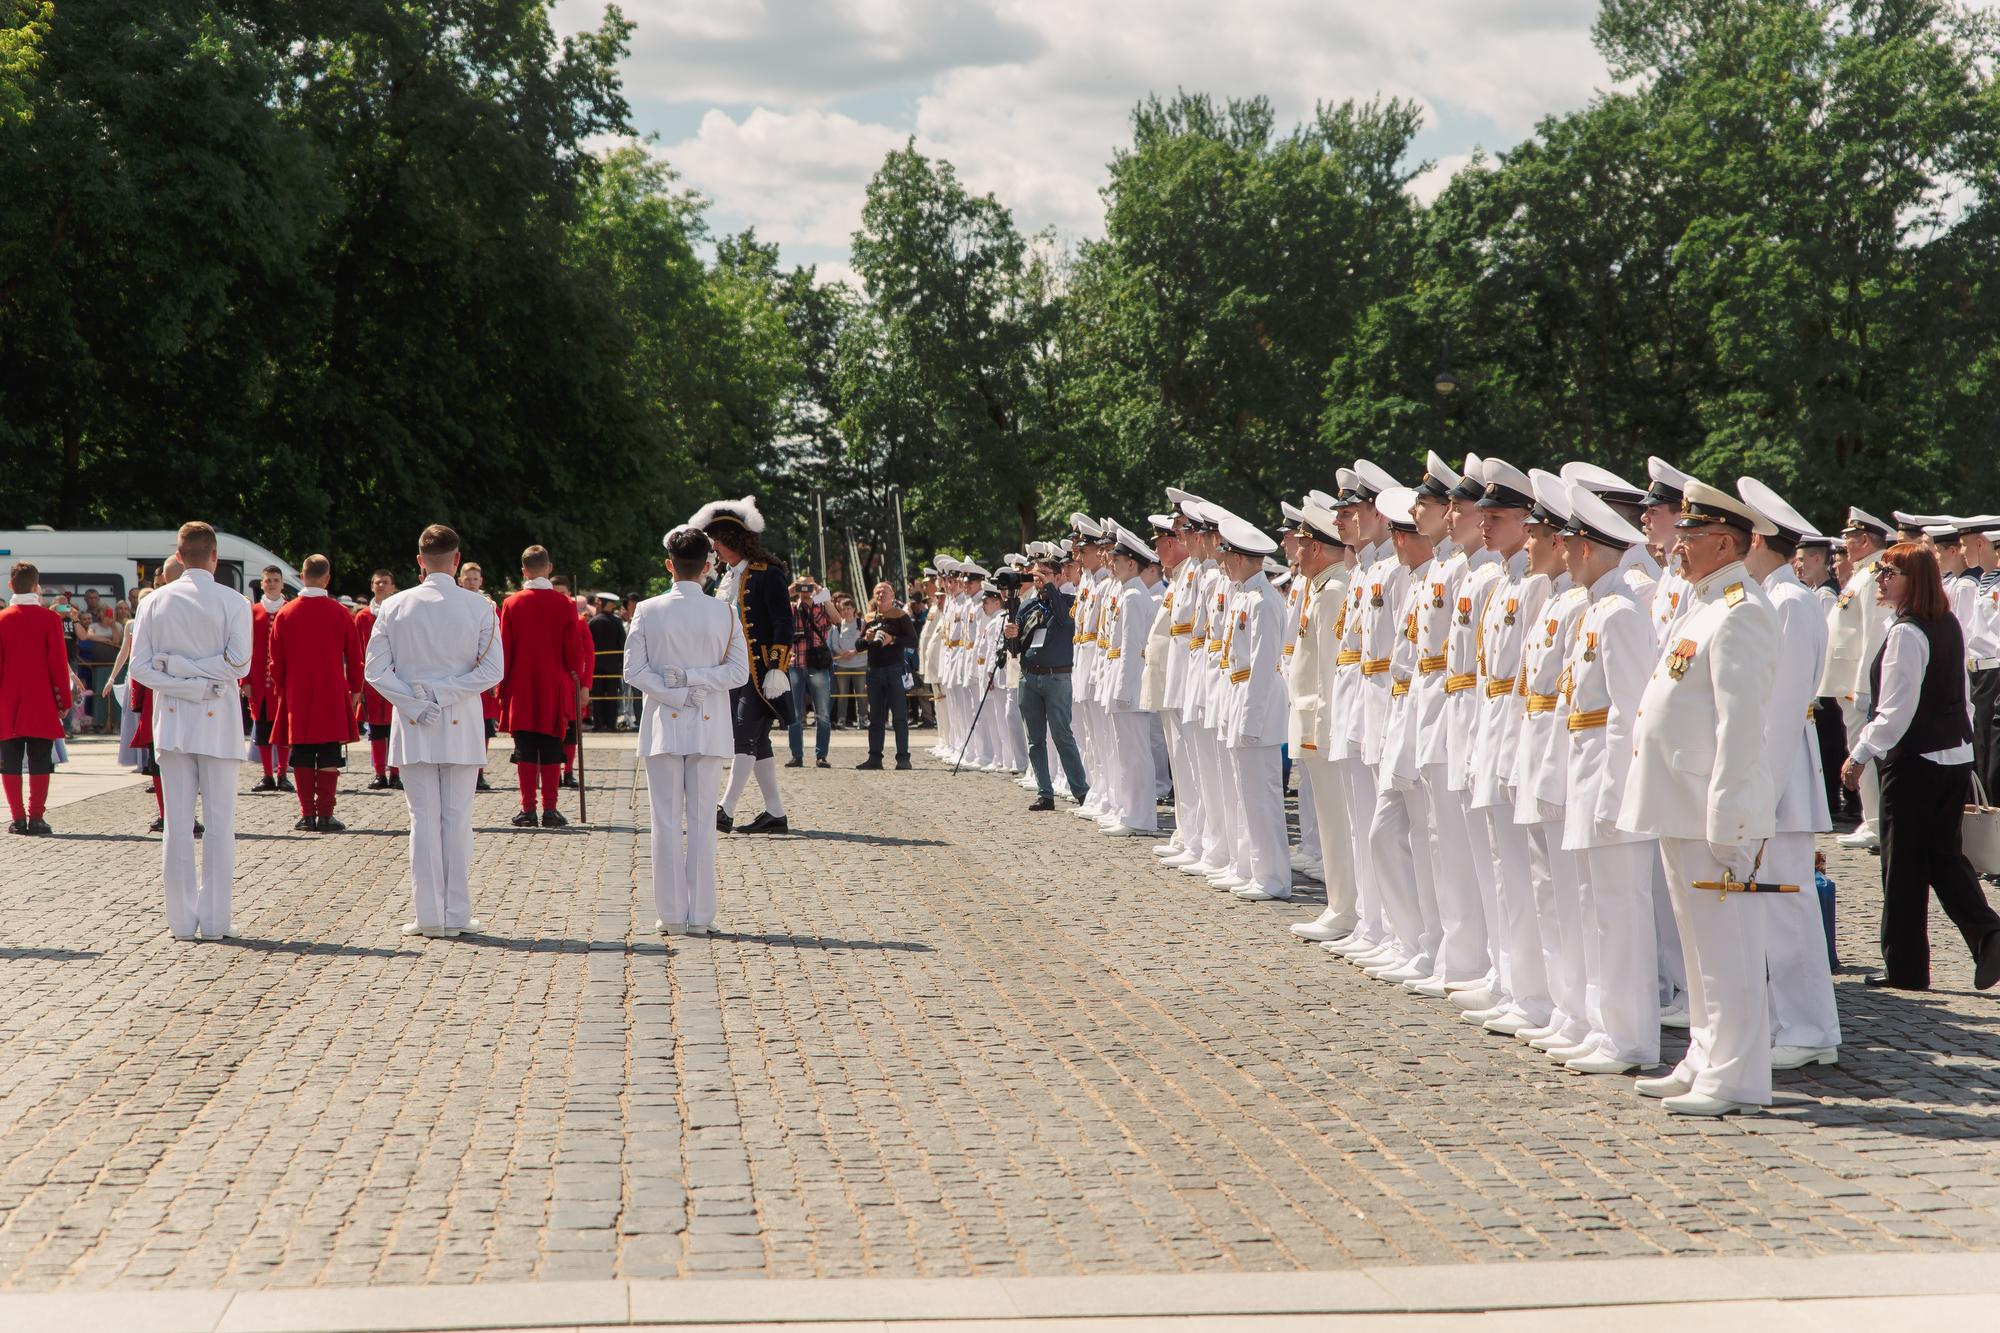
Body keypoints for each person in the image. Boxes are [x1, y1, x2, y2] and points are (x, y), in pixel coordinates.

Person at [1618, 481, 1781, 1117]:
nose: (1675, 547)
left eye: (1687, 538)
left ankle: (1736, 1076)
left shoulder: (1742, 610)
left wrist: (1729, 816)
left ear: (1723, 542)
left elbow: (1741, 728)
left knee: (1728, 949)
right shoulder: (1704, 601)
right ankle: (1705, 1055)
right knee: (1698, 947)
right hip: (1678, 800)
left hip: (1712, 807)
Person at [1841, 541, 2000, 992]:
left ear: (1915, 581)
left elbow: (1894, 711)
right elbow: (1960, 697)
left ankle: (1907, 968)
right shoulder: (1945, 624)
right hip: (1950, 756)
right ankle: (1989, 934)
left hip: (1916, 762)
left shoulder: (1908, 632)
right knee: (1942, 859)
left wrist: (1859, 754)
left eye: (1890, 572)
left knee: (1903, 866)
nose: (1880, 580)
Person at [364, 524, 505, 939]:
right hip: (459, 720)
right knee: (457, 819)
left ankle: (429, 915)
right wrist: (442, 694)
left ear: (419, 561)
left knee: (423, 819)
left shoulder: (394, 605)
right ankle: (456, 914)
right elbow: (492, 670)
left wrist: (416, 701)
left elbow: (374, 671)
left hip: (413, 723)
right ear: (457, 560)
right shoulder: (479, 606)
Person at [129, 522, 253, 942]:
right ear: (214, 556)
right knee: (220, 825)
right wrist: (200, 681)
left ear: (178, 557)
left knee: (177, 825)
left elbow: (142, 670)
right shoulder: (234, 601)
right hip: (217, 719)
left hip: (175, 720)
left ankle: (182, 923)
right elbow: (239, 665)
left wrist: (180, 671)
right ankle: (216, 921)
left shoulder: (155, 602)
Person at [625, 526, 750, 935]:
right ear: (708, 566)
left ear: (669, 565)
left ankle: (673, 915)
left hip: (663, 723)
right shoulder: (724, 611)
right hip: (707, 724)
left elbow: (634, 672)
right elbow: (737, 673)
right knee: (700, 819)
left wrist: (678, 687)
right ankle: (700, 916)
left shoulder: (647, 609)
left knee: (664, 821)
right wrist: (694, 686)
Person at [691, 495, 795, 834]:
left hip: (762, 670)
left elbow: (783, 621)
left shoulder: (768, 573)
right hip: (734, 670)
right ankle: (776, 814)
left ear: (731, 540)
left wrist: (778, 666)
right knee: (758, 741)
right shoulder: (728, 576)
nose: (714, 548)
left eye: (717, 541)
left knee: (743, 736)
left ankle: (724, 810)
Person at [269, 554, 365, 832]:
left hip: (297, 693)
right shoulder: (340, 613)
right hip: (332, 691)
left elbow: (275, 660)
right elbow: (355, 655)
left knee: (301, 752)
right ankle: (325, 814)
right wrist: (355, 687)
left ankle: (307, 815)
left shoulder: (286, 613)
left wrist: (282, 688)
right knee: (328, 753)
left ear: (301, 576)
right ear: (327, 578)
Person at [499, 546, 588, 829]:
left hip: (521, 684)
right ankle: (550, 810)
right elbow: (574, 655)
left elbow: (505, 650)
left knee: (525, 747)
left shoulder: (511, 604)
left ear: (523, 570)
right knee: (552, 747)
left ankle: (528, 810)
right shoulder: (565, 605)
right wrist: (576, 677)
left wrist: (502, 687)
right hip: (554, 684)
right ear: (549, 568)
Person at [1827, 507, 1895, 849]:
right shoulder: (1863, 573)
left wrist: (1865, 686)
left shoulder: (1874, 574)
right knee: (1857, 748)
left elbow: (1873, 633)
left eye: (1849, 539)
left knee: (1863, 750)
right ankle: (1872, 818)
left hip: (1859, 681)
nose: (1845, 544)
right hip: (1848, 678)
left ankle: (1874, 821)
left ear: (1865, 540)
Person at [1009, 556, 1087, 810]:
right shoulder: (1027, 607)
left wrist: (1050, 587)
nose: (1038, 578)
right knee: (1035, 739)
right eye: (1035, 574)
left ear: (1058, 576)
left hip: (1057, 676)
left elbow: (1065, 621)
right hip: (1029, 675)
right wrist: (1010, 636)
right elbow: (1015, 648)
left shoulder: (1066, 601)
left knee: (1062, 735)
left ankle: (1081, 790)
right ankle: (1045, 792)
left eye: (1044, 574)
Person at [0, 563, 72, 835]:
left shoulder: (2, 619)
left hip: (7, 704)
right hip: (41, 702)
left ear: (10, 586)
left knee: (9, 762)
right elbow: (57, 665)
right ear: (36, 586)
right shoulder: (50, 619)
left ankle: (17, 819)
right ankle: (37, 818)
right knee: (41, 760)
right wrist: (64, 702)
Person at [857, 581, 919, 770]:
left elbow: (913, 641)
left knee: (899, 716)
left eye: (884, 591)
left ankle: (903, 758)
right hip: (874, 670)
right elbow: (858, 646)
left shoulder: (900, 616)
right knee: (875, 716)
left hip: (894, 669)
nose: (880, 595)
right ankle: (874, 757)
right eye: (877, 592)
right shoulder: (869, 617)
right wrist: (866, 639)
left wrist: (893, 640)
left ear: (892, 596)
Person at [247, 566, 291, 792]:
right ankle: (267, 775)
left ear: (282, 584)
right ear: (262, 584)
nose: (272, 584)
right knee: (263, 731)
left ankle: (282, 773)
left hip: (283, 684)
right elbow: (244, 649)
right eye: (268, 580)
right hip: (258, 683)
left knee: (283, 730)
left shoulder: (290, 609)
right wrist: (244, 681)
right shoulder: (252, 612)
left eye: (276, 580)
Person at [355, 569, 401, 790]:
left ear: (393, 586)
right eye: (377, 582)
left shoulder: (400, 613)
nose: (381, 586)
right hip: (372, 680)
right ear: (372, 586)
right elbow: (356, 651)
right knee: (375, 729)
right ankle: (379, 773)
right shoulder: (363, 617)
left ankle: (396, 773)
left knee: (395, 729)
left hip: (396, 677)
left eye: (385, 582)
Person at [458, 561, 501, 792]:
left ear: (481, 581)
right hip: (459, 672)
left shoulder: (489, 607)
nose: (472, 583)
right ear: (460, 580)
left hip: (482, 675)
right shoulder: (453, 604)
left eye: (476, 579)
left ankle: (479, 772)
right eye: (468, 578)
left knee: (483, 727)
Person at [786, 576, 835, 768]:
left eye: (808, 585)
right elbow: (776, 604)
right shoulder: (790, 607)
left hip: (817, 664)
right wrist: (792, 589)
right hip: (795, 663)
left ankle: (821, 755)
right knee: (795, 713)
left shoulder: (821, 607)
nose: (805, 589)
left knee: (822, 713)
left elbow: (837, 618)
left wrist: (820, 591)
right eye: (802, 585)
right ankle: (796, 755)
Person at [587, 592, 626, 732]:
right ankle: (611, 724)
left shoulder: (593, 621)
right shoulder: (616, 622)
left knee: (596, 696)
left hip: (595, 665)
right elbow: (622, 643)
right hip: (612, 666)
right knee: (612, 696)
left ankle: (598, 724)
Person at [829, 595, 864, 730]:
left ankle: (863, 719)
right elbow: (834, 644)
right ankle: (841, 719)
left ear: (854, 609)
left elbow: (864, 641)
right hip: (843, 664)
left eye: (848, 608)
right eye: (843, 609)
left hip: (860, 663)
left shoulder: (861, 623)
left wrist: (854, 652)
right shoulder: (836, 626)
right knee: (842, 694)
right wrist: (843, 653)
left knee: (861, 693)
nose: (846, 611)